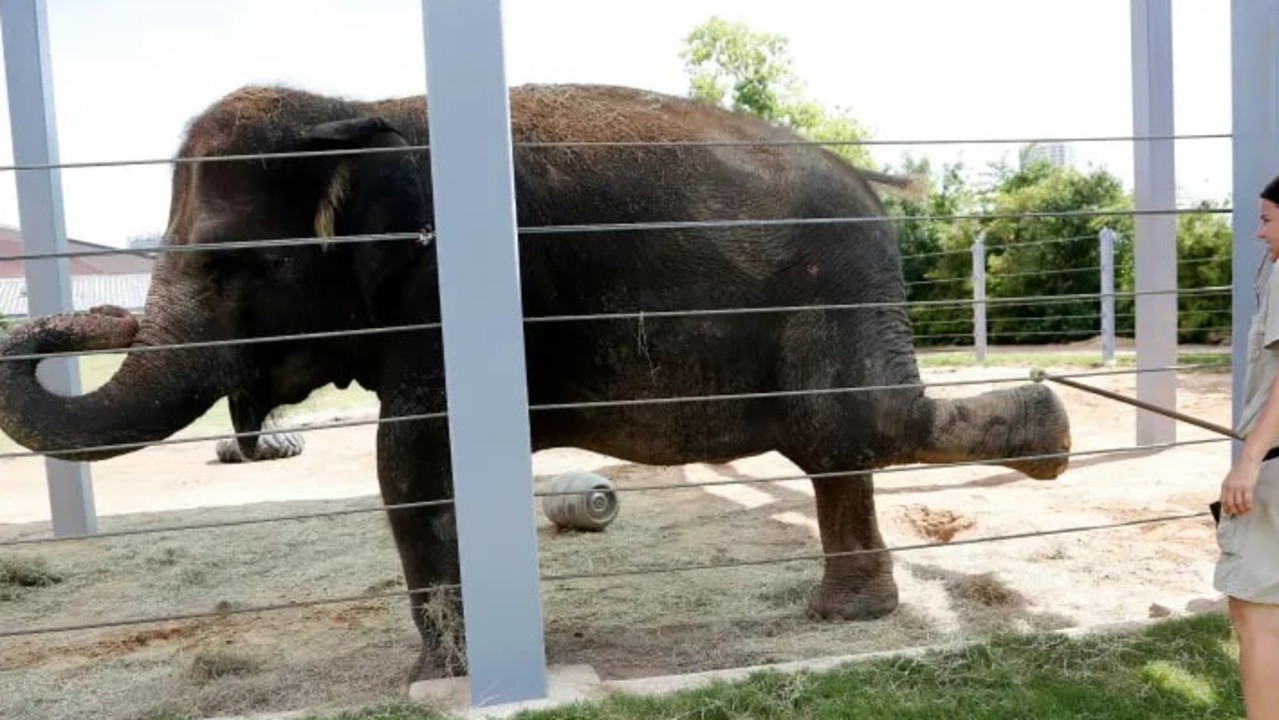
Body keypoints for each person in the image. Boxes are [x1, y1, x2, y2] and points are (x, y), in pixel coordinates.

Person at [1216, 173, 1279, 719]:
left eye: (1267, 219)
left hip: (1276, 466)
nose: (1260, 234)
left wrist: (1250, 458)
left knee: (1255, 614)